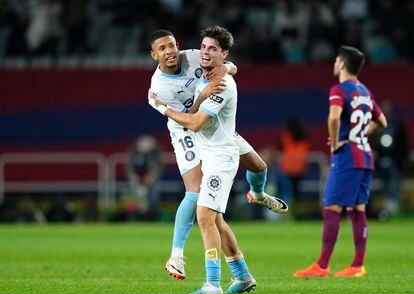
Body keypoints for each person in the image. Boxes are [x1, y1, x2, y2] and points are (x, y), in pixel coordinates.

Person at [148, 29, 287, 281]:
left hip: (215, 124)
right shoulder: (160, 87)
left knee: (259, 167)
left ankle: (257, 194)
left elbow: (221, 62)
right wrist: (197, 96)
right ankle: (176, 255)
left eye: (171, 46)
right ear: (154, 54)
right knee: (195, 192)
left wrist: (228, 68)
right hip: (186, 129)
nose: (169, 52)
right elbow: (190, 118)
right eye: (162, 49)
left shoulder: (192, 56)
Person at [294, 46, 387, 278]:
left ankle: (322, 265)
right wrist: (362, 135)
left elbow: (334, 116)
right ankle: (357, 265)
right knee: (357, 210)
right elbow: (382, 121)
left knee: (331, 208)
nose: (334, 63)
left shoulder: (339, 90)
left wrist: (336, 143)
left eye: (336, 60)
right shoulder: (365, 91)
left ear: (343, 64)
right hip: (366, 157)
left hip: (347, 157)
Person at [125, 135, 163, 220]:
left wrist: (150, 177)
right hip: (136, 181)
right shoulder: (134, 153)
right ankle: (133, 217)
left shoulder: (155, 154)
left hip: (151, 181)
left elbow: (158, 168)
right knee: (133, 194)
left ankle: (152, 216)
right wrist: (135, 178)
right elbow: (130, 169)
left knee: (154, 194)